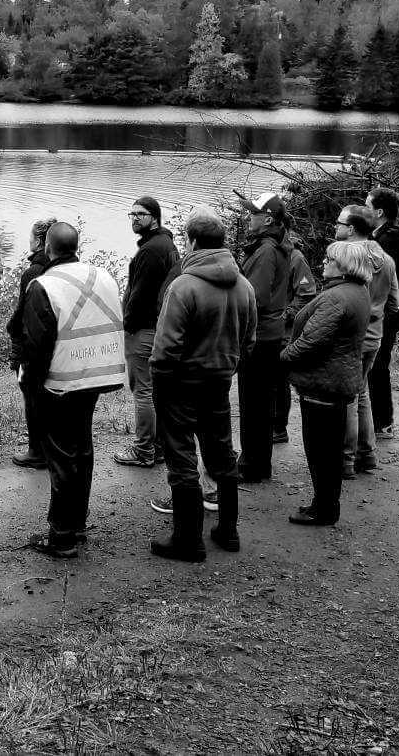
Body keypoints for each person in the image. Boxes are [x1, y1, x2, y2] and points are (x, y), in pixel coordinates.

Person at [150, 209, 257, 562]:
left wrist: (159, 379)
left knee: (181, 456)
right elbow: (249, 340)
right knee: (222, 454)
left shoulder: (184, 286)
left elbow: (166, 348)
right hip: (218, 382)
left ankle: (187, 540)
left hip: (180, 384)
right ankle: (228, 531)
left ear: (191, 241)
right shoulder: (244, 286)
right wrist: (226, 364)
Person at [16, 222, 127, 557]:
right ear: (75, 246)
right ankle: (77, 522)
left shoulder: (43, 285)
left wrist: (30, 383)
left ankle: (61, 535)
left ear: (48, 248)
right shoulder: (103, 275)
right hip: (98, 374)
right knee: (82, 448)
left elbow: (36, 346)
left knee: (62, 455)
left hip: (61, 381)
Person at [281, 241, 373, 527]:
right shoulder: (359, 292)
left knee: (320, 451)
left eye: (329, 259)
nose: (323, 262)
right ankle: (325, 505)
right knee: (329, 450)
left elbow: (312, 339)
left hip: (324, 383)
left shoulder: (337, 297)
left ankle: (323, 509)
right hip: (339, 379)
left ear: (344, 266)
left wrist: (284, 356)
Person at [333, 205, 399, 476]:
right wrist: (376, 310)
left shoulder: (345, 258)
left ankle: (346, 459)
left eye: (339, 223)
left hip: (350, 336)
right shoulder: (386, 259)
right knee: (361, 394)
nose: (335, 227)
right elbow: (395, 303)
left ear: (351, 228)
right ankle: (367, 454)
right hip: (374, 337)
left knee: (347, 397)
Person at [234, 192, 296, 483]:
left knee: (253, 404)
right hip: (269, 334)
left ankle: (251, 466)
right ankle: (256, 462)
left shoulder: (267, 250)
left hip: (259, 337)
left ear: (268, 218)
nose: (248, 218)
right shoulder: (273, 246)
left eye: (253, 214)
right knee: (259, 403)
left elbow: (254, 298)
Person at [113, 197, 178, 469]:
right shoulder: (164, 245)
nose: (135, 218)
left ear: (155, 217)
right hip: (157, 328)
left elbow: (141, 295)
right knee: (156, 391)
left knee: (144, 391)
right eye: (132, 214)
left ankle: (144, 450)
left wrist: (127, 324)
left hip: (145, 329)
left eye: (141, 214)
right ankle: (159, 447)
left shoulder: (152, 250)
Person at [7, 217, 58, 469]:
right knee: (52, 397)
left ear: (39, 241)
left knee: (32, 396)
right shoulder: (64, 268)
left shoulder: (33, 273)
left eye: (30, 236)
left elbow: (23, 313)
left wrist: (11, 329)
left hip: (31, 345)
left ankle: (36, 451)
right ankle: (52, 446)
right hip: (59, 344)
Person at [367, 187, 399, 439]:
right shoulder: (392, 234)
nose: (364, 210)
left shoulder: (388, 241)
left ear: (379, 212)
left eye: (367, 205)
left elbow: (386, 280)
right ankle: (380, 420)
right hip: (391, 311)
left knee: (378, 364)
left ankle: (382, 421)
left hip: (387, 312)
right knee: (377, 363)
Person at [273, 234, 319, 445]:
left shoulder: (296, 258)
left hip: (285, 333)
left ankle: (278, 427)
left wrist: (288, 314)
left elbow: (307, 292)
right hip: (268, 330)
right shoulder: (269, 254)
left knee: (279, 380)